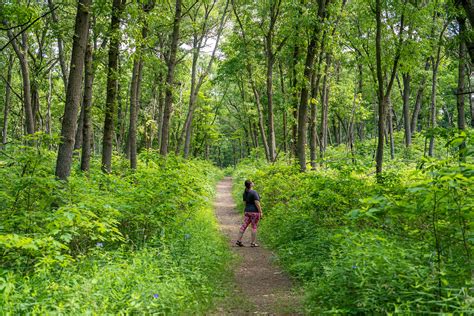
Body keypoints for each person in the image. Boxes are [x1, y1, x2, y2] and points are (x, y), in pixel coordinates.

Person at [236, 180, 263, 247]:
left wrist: (247, 209)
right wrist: (260, 211)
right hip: (254, 212)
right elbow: (257, 203)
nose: (253, 183)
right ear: (250, 185)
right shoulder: (254, 192)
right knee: (254, 227)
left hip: (247, 211)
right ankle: (253, 243)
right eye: (252, 182)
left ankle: (238, 240)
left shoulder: (245, 193)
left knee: (244, 226)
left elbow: (245, 203)